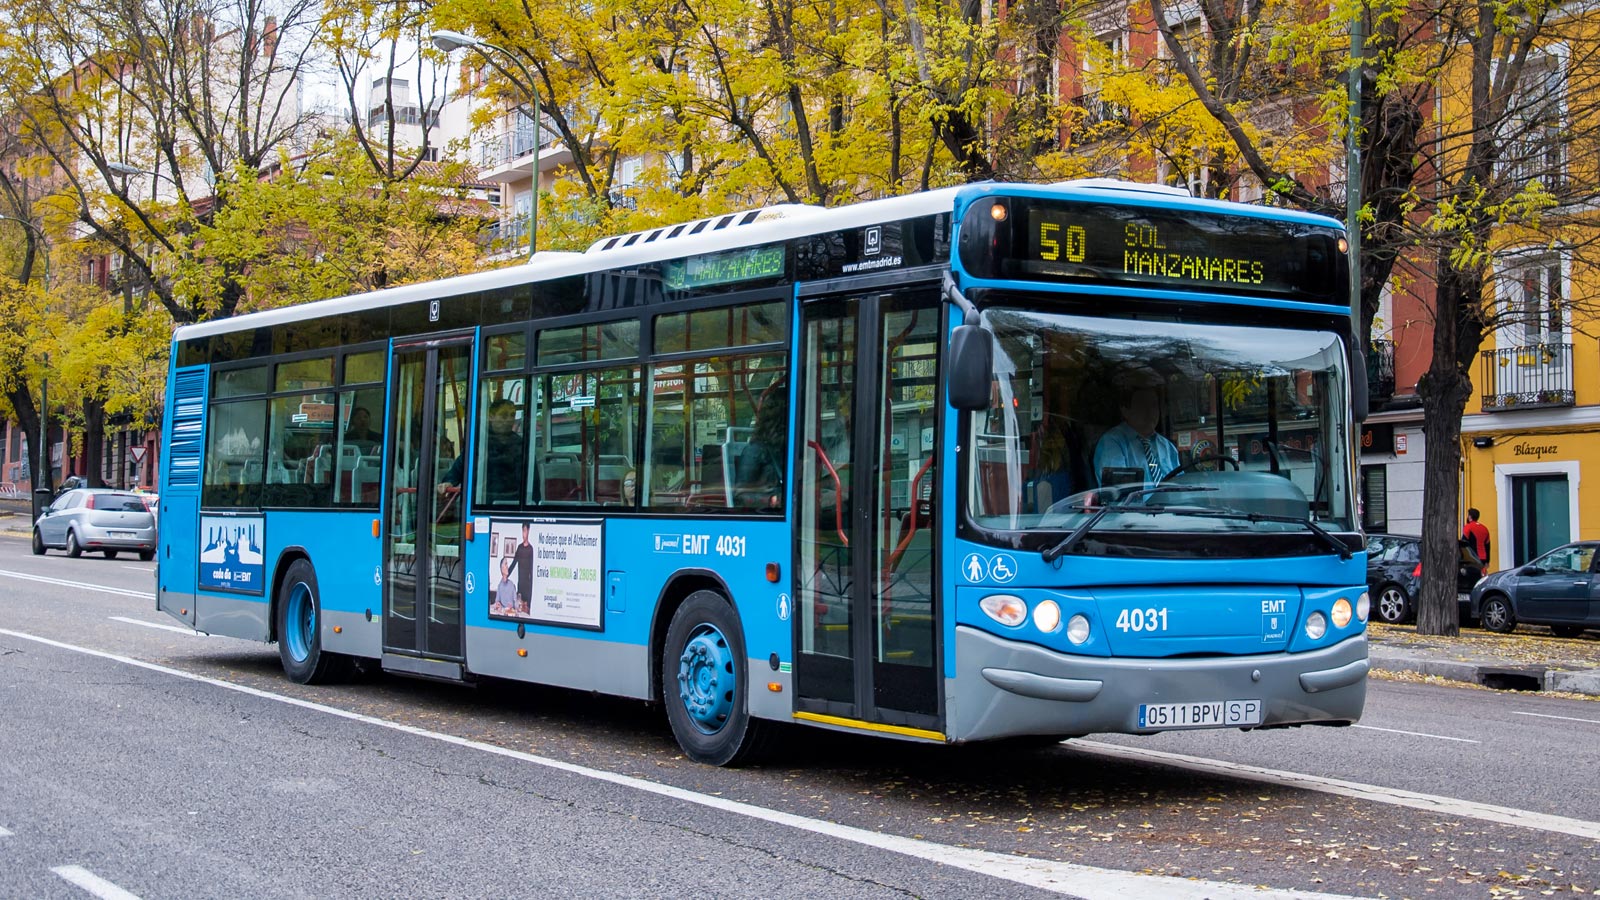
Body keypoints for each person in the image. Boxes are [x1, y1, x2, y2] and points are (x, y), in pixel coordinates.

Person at [1093, 383, 1179, 488]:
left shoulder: (1167, 446)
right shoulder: (1112, 443)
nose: (1151, 411)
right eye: (1142, 405)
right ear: (1125, 410)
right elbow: (1119, 494)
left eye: (1154, 405)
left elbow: (1181, 486)